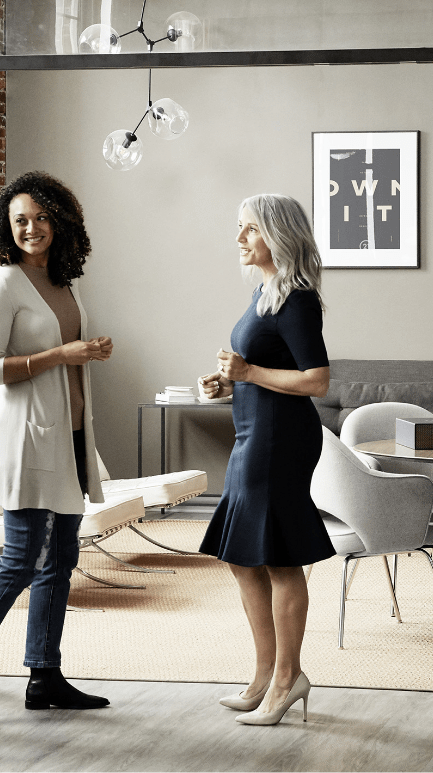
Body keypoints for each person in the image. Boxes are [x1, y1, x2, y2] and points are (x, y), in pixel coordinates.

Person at [0, 171, 113, 729]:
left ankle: (44, 675)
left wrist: (85, 353)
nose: (31, 228)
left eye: (39, 217)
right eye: (19, 220)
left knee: (62, 560)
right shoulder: (2, 283)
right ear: (6, 230)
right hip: (29, 436)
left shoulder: (61, 281)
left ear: (60, 219)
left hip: (70, 436)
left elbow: (66, 352)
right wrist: (64, 354)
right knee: (19, 561)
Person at [198, 194, 335, 726]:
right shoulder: (264, 292)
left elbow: (317, 381)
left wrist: (249, 374)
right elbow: (254, 367)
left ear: (276, 235)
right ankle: (264, 674)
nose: (239, 239)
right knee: (241, 556)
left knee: (277, 557)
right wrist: (226, 382)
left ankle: (287, 678)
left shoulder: (297, 298)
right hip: (253, 433)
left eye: (248, 229)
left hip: (279, 440)